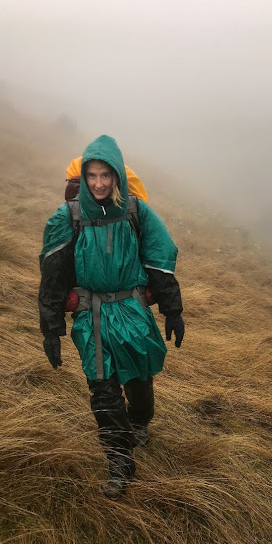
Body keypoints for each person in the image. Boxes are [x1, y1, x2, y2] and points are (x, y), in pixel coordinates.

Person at [38, 134, 184, 499]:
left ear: (117, 176)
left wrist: (173, 310)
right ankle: (120, 460)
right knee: (103, 390)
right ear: (83, 178)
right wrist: (51, 330)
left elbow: (159, 260)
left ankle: (140, 421)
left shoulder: (137, 212)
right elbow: (53, 276)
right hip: (91, 317)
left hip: (132, 312)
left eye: (106, 175)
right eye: (92, 176)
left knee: (138, 380)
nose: (99, 183)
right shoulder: (68, 216)